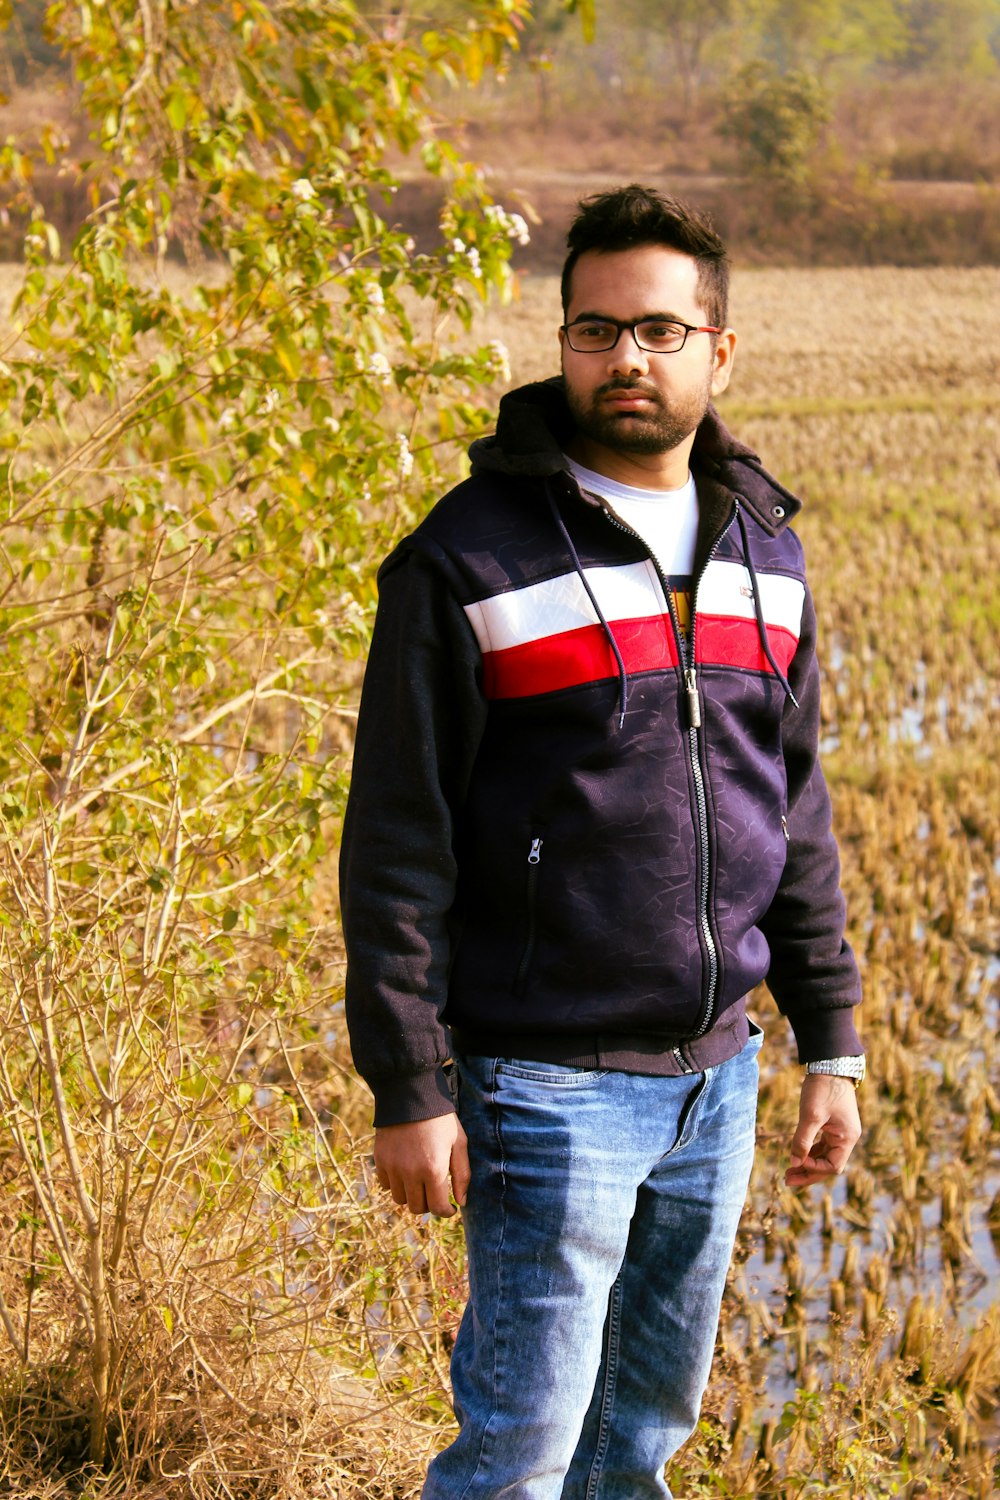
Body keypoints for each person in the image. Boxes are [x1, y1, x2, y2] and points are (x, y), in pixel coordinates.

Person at [339, 184, 864, 1500]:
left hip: (720, 1083)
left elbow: (790, 810)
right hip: (547, 1085)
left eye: (658, 330)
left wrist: (831, 1045)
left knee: (639, 1444)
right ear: (562, 342)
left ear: (719, 348)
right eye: (593, 329)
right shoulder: (465, 561)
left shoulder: (769, 556)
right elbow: (399, 841)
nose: (624, 357)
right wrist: (410, 1083)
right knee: (518, 1457)